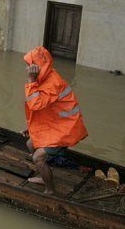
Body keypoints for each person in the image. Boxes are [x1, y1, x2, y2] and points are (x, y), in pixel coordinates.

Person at [22, 46, 88, 195]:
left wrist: (31, 81)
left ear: (38, 66)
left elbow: (35, 104)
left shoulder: (52, 83)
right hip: (57, 125)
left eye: (30, 65)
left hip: (65, 130)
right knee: (30, 143)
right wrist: (30, 127)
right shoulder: (44, 78)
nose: (28, 68)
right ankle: (44, 174)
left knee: (38, 157)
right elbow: (45, 110)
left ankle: (49, 190)